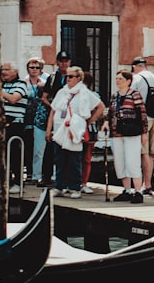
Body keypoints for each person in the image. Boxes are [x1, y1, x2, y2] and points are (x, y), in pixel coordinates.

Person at [46, 65, 104, 198]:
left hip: (74, 129)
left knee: (74, 160)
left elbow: (100, 107)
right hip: (60, 128)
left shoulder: (85, 93)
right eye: (67, 76)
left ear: (79, 78)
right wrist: (49, 129)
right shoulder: (62, 92)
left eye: (71, 76)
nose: (68, 79)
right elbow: (53, 110)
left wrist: (88, 122)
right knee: (59, 159)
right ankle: (60, 186)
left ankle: (75, 187)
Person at [107, 70, 148, 203]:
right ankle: (127, 190)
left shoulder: (135, 95)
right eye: (117, 78)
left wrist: (144, 133)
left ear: (128, 81)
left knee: (133, 161)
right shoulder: (114, 96)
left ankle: (138, 191)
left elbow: (142, 114)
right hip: (116, 133)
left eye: (120, 79)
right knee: (120, 162)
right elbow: (111, 113)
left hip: (132, 132)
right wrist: (106, 123)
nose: (117, 81)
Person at [131, 56, 154, 196]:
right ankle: (148, 184)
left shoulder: (136, 79)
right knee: (151, 154)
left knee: (143, 153)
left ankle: (142, 186)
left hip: (142, 119)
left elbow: (132, 98)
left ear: (135, 67)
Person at [41, 51, 72, 185]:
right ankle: (46, 176)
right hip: (55, 115)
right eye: (61, 61)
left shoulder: (74, 76)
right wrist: (55, 106)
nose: (63, 63)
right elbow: (44, 97)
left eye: (66, 61)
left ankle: (65, 178)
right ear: (57, 62)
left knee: (69, 147)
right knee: (50, 147)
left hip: (70, 116)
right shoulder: (53, 77)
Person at [0, 61, 32, 192]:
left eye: (6, 69)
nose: (3, 72)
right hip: (2, 123)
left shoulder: (22, 84)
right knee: (2, 155)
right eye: (2, 69)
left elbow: (13, 99)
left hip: (16, 123)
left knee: (15, 154)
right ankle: (5, 182)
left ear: (15, 71)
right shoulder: (3, 85)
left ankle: (18, 183)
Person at [24, 57, 48, 185]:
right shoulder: (23, 82)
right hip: (26, 117)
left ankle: (38, 173)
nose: (34, 69)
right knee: (28, 145)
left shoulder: (44, 82)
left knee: (39, 148)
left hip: (39, 117)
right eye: (31, 67)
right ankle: (29, 172)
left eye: (37, 67)